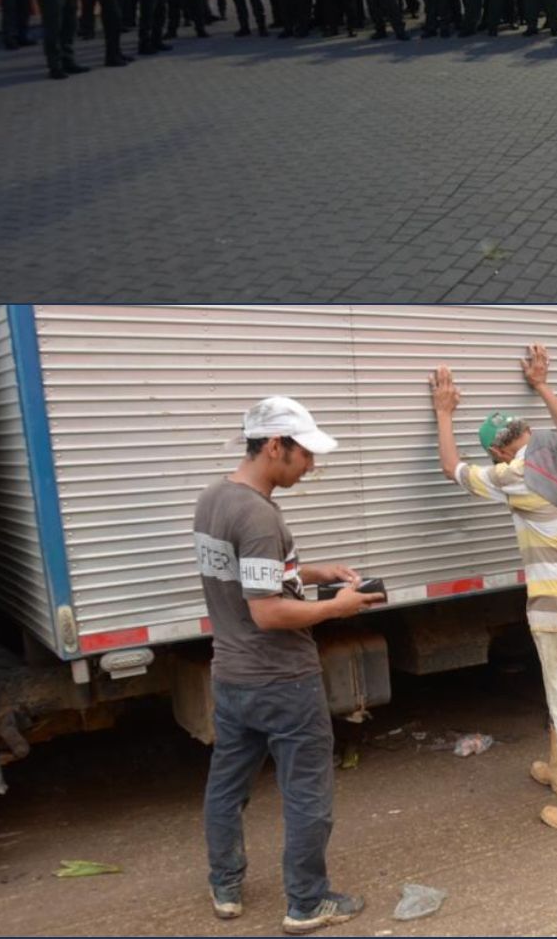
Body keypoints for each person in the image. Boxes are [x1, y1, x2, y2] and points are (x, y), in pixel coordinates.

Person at [195, 396, 378, 933]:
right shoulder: (258, 515)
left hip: (231, 676)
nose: (311, 466)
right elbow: (269, 611)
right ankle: (307, 901)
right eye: (305, 455)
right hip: (281, 680)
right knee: (306, 794)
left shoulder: (215, 497)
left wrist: (317, 571)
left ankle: (224, 885)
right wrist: (336, 606)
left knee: (227, 785)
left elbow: (249, 574)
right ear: (275, 445)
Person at [430, 346, 557, 834]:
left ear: (498, 450)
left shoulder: (514, 476)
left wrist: (443, 413)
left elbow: (453, 468)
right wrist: (541, 384)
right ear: (529, 431)